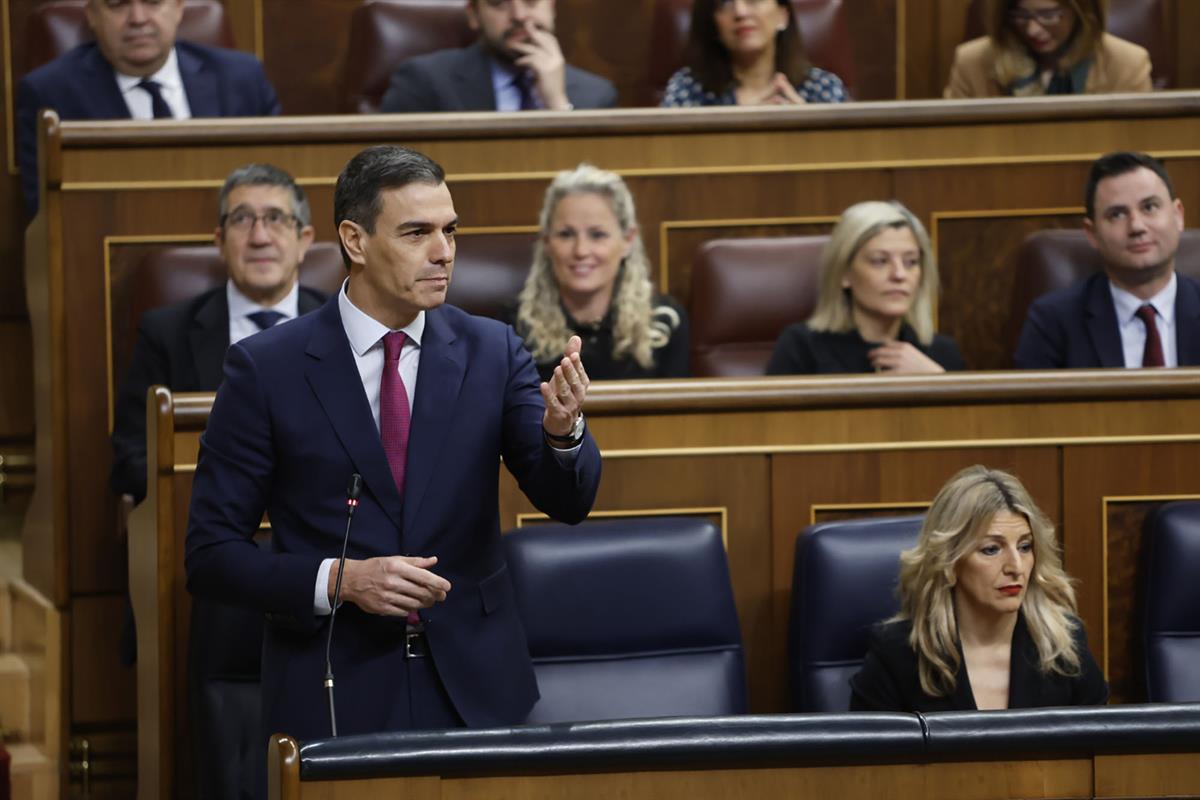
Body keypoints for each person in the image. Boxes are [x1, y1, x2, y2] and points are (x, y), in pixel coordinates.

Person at [185, 145, 602, 751]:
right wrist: (340, 581)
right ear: (355, 240)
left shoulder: (493, 351)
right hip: (335, 688)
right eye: (417, 233)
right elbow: (211, 555)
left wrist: (563, 433)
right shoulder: (266, 368)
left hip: (475, 690)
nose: (444, 252)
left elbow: (567, 502)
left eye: (450, 231)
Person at [110, 164, 323, 505]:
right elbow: (132, 459)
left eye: (275, 218)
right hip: (210, 524)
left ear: (304, 240)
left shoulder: (343, 325)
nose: (259, 237)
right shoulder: (166, 333)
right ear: (220, 242)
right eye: (241, 219)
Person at [850, 465, 1109, 712]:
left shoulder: (1064, 646)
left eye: (1025, 547)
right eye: (991, 549)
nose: (1016, 567)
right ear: (949, 562)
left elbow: (1102, 751)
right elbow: (863, 756)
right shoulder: (897, 655)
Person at [16, 0, 280, 214]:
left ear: (178, 8)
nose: (138, 18)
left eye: (153, 2)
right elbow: (51, 214)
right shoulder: (50, 95)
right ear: (92, 15)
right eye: (118, 4)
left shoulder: (242, 78)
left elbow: (282, 186)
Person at [1015, 151, 1200, 368]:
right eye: (1117, 214)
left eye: (1149, 207)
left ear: (1178, 216)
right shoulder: (1053, 322)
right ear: (1092, 233)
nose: (1137, 226)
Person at [510, 164, 689, 381]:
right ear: (547, 242)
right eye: (566, 234)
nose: (581, 250)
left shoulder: (664, 322)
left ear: (628, 240)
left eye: (598, 235)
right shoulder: (514, 328)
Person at [766, 201, 965, 375]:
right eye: (880, 261)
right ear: (844, 273)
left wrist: (938, 380)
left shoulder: (942, 352)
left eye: (911, 262)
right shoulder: (802, 348)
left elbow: (972, 419)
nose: (899, 274)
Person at [379, 0, 616, 113]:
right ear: (474, 16)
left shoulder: (597, 95)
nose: (520, 15)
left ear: (552, 7)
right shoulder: (425, 81)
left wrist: (557, 104)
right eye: (499, 4)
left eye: (531, 1)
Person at [944, 0, 1151, 98]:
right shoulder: (971, 62)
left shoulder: (1127, 64)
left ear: (1081, 11)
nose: (1033, 29)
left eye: (1049, 15)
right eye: (1021, 16)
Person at [660, 0, 848, 107]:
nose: (740, 12)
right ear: (714, 25)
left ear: (783, 16)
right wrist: (741, 125)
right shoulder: (688, 89)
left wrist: (807, 129)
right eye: (725, 2)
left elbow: (848, 163)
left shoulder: (822, 89)